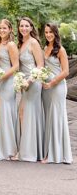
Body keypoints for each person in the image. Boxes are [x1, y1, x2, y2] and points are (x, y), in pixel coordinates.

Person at [41, 23, 72, 164]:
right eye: (46, 32)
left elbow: (65, 71)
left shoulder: (60, 50)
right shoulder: (45, 48)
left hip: (57, 87)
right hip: (46, 88)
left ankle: (55, 154)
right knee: (49, 117)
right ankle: (50, 151)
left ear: (55, 33)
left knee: (56, 117)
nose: (48, 34)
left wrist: (52, 83)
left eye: (51, 32)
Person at [16, 17, 44, 162]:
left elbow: (40, 65)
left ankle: (30, 150)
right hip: (23, 83)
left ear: (32, 28)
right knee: (22, 113)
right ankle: (25, 148)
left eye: (27, 26)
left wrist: (30, 80)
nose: (24, 28)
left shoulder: (33, 42)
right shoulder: (21, 43)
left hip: (33, 82)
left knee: (28, 113)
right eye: (21, 26)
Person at [0, 18, 20, 161]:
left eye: (4, 28)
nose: (2, 30)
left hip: (8, 82)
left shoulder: (11, 45)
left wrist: (1, 77)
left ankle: (11, 149)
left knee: (1, 113)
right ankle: (5, 146)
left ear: (10, 30)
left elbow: (15, 66)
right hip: (0, 82)